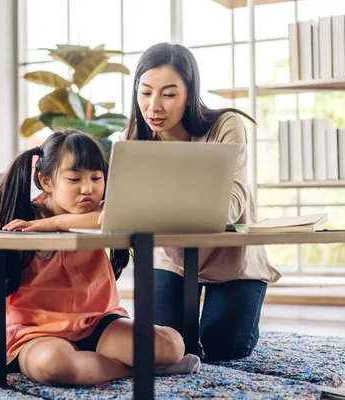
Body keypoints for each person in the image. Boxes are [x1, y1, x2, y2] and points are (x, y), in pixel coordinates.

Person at [0, 130, 200, 386]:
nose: (88, 189)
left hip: (97, 323)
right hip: (37, 333)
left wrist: (52, 224)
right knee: (54, 366)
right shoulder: (21, 225)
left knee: (171, 344)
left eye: (96, 178)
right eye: (74, 179)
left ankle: (125, 363)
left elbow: (112, 217)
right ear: (46, 181)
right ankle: (141, 369)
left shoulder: (102, 215)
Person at [119, 42, 281, 361]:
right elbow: (126, 208)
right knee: (166, 345)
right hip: (171, 259)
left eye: (168, 94)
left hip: (231, 259)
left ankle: (238, 313)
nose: (154, 106)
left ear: (190, 94)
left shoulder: (225, 126)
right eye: (145, 92)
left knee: (224, 346)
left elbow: (232, 207)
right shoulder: (133, 138)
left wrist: (154, 209)